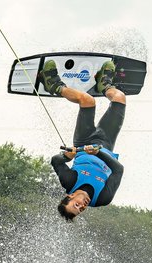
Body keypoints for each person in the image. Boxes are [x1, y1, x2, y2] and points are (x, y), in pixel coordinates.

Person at [41, 59, 126, 221]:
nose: (82, 206)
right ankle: (104, 84)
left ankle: (54, 85)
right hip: (107, 143)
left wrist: (67, 156)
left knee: (87, 100)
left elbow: (55, 161)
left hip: (83, 141)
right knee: (120, 97)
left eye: (76, 205)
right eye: (80, 210)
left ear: (70, 196)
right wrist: (98, 152)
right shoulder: (102, 198)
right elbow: (118, 170)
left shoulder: (70, 182)